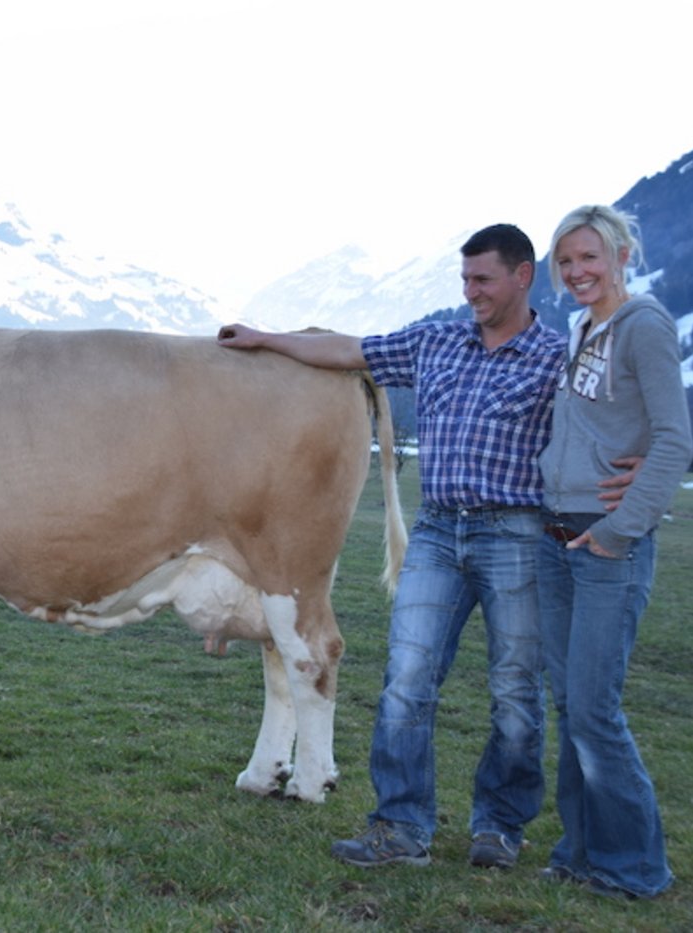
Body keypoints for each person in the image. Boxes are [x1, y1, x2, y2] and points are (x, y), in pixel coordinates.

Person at [218, 224, 566, 870]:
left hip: (517, 534)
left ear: (524, 276)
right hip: (438, 533)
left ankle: (499, 825)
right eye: (464, 280)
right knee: (407, 680)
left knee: (515, 688)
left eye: (483, 279)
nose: (471, 293)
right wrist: (267, 338)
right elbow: (351, 351)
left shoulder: (556, 357)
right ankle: (400, 826)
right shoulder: (437, 340)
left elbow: (600, 424)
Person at [537, 205, 692, 899]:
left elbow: (674, 439)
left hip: (607, 546)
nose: (576, 272)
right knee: (572, 705)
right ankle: (580, 848)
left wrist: (621, 525)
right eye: (565, 261)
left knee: (596, 707)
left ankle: (635, 867)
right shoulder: (583, 329)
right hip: (558, 535)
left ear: (622, 253)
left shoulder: (644, 325)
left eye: (589, 257)